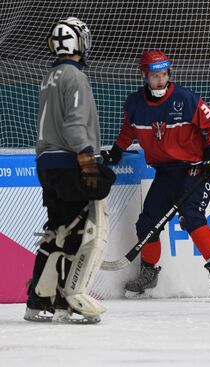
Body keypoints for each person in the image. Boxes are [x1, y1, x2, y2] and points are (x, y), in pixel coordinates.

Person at [101, 50, 210, 302]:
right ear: (145, 76)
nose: (160, 80)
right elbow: (129, 130)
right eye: (154, 75)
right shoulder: (134, 104)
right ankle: (149, 273)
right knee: (146, 224)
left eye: (163, 74)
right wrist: (116, 152)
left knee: (192, 216)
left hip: (195, 168)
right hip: (165, 172)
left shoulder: (185, 99)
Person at [25, 17, 115, 324]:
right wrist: (88, 161)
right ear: (81, 43)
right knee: (78, 232)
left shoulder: (50, 76)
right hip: (68, 162)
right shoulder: (74, 77)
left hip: (46, 164)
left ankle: (39, 301)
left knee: (56, 232)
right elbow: (75, 125)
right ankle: (71, 301)